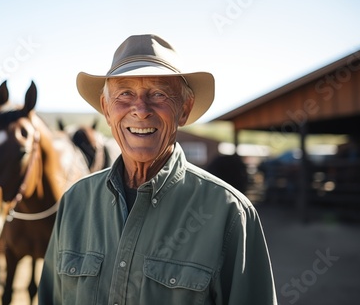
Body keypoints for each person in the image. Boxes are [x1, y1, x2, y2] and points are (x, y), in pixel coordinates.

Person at [38, 34, 277, 304]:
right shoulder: (75, 202)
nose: (140, 109)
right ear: (106, 108)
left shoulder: (231, 214)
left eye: (159, 94)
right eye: (125, 93)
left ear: (184, 109)